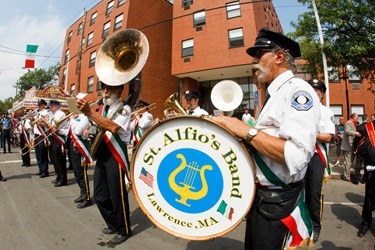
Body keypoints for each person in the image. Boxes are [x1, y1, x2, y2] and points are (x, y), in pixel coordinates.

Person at [215, 27, 320, 249]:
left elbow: (298, 155)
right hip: (260, 200)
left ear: (279, 57)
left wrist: (246, 131)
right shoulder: (275, 94)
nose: (254, 62)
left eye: (259, 54)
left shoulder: (298, 91)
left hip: (277, 205)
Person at [76, 80, 132, 245]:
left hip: (115, 155)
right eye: (104, 87)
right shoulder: (104, 108)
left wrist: (90, 113)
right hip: (102, 154)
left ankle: (124, 230)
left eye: (109, 88)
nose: (105, 91)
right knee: (100, 195)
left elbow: (113, 128)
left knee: (117, 195)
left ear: (119, 90)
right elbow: (98, 126)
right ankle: (113, 223)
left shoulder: (124, 109)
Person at [305, 79, 335, 243]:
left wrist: (308, 133)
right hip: (301, 153)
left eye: (317, 91)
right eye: (311, 90)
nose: (314, 93)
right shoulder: (300, 109)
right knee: (298, 191)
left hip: (316, 155)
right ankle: (301, 224)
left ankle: (315, 227)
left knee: (313, 193)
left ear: (322, 94)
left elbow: (328, 137)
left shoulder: (325, 112)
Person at [355, 117, 375, 237]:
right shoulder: (367, 128)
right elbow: (360, 147)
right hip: (372, 170)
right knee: (369, 200)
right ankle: (365, 224)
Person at [68, 113, 93, 209]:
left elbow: (78, 131)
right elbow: (68, 131)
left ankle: (87, 198)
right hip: (73, 146)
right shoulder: (77, 118)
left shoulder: (84, 118)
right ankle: (83, 194)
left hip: (80, 148)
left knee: (82, 174)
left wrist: (72, 120)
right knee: (77, 174)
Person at [43, 100, 68, 187]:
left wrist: (46, 122)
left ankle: (62, 179)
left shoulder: (60, 114)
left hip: (60, 138)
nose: (51, 107)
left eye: (53, 106)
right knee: (55, 159)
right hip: (54, 137)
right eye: (51, 106)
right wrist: (46, 122)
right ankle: (58, 177)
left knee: (60, 160)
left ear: (57, 106)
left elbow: (54, 128)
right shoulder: (54, 114)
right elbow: (50, 128)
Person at [33, 99, 52, 178]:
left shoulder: (46, 112)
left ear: (44, 105)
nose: (39, 106)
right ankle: (41, 169)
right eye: (38, 105)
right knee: (37, 153)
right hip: (36, 134)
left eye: (40, 105)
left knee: (42, 153)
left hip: (42, 135)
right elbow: (33, 125)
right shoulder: (37, 113)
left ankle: (45, 170)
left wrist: (38, 122)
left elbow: (45, 125)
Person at [341, 113, 361, 181]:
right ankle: (346, 176)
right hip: (348, 145)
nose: (358, 118)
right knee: (348, 161)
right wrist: (355, 133)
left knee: (350, 161)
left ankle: (346, 174)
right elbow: (347, 131)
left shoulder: (355, 123)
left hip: (352, 145)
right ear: (354, 117)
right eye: (357, 117)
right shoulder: (348, 123)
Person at [353, 114, 368, 184]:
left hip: (360, 147)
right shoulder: (370, 127)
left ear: (362, 119)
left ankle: (356, 179)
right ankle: (364, 179)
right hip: (368, 148)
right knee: (367, 164)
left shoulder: (359, 127)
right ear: (367, 118)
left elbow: (356, 140)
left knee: (358, 163)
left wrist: (354, 148)